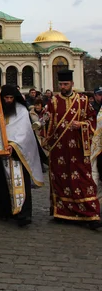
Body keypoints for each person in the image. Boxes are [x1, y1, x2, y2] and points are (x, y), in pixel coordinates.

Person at [44, 69, 101, 228]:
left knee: (82, 179)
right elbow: (46, 124)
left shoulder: (83, 100)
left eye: (66, 84)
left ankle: (91, 214)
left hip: (78, 148)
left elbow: (92, 120)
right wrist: (45, 120)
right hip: (59, 149)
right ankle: (63, 212)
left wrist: (82, 125)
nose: (63, 86)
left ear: (72, 84)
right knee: (61, 179)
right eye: (61, 84)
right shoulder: (53, 102)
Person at [0, 85, 43, 227]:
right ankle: (5, 211)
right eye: (5, 98)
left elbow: (24, 132)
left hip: (17, 154)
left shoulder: (21, 111)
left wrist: (13, 145)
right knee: (1, 183)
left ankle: (23, 214)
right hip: (0, 153)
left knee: (20, 184)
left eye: (10, 98)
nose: (8, 101)